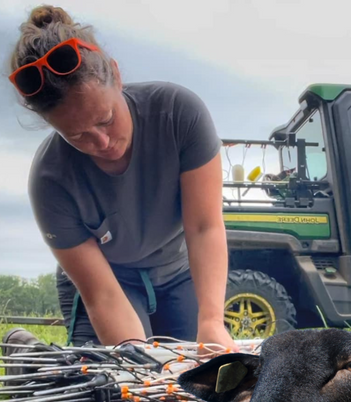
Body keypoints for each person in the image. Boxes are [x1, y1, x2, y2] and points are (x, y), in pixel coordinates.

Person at [8, 5, 238, 351]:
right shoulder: (50, 180)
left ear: (116, 75)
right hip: (109, 280)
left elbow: (204, 227)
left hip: (177, 272)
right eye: (77, 136)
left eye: (105, 119)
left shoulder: (180, 114)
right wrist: (138, 362)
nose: (101, 143)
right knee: (119, 381)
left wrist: (211, 321)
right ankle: (28, 351)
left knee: (195, 371)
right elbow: (101, 294)